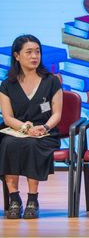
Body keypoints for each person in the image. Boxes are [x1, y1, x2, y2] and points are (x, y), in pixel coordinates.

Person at [0, 35, 62, 219]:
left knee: (32, 144)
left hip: (45, 132)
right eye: (29, 52)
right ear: (17, 56)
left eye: (37, 52)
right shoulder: (7, 84)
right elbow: (7, 117)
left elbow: (57, 113)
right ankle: (14, 198)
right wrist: (26, 128)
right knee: (8, 144)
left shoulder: (51, 81)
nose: (34, 56)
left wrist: (44, 127)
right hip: (16, 130)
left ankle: (33, 199)